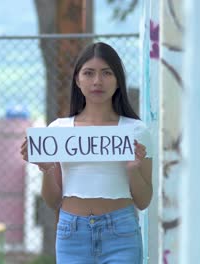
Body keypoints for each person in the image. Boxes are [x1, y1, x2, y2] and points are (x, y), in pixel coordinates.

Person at [20, 42, 153, 264]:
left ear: (118, 80)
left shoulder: (136, 131)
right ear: (77, 80)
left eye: (106, 73)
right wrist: (46, 168)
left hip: (121, 233)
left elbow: (144, 200)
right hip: (72, 234)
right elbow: (53, 201)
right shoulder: (58, 130)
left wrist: (132, 170)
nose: (97, 81)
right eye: (89, 73)